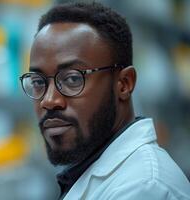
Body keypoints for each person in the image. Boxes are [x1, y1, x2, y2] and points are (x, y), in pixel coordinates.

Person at [19, 2, 190, 200]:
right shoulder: (90, 172)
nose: (49, 101)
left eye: (73, 79)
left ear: (124, 84)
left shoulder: (143, 188)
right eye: (38, 82)